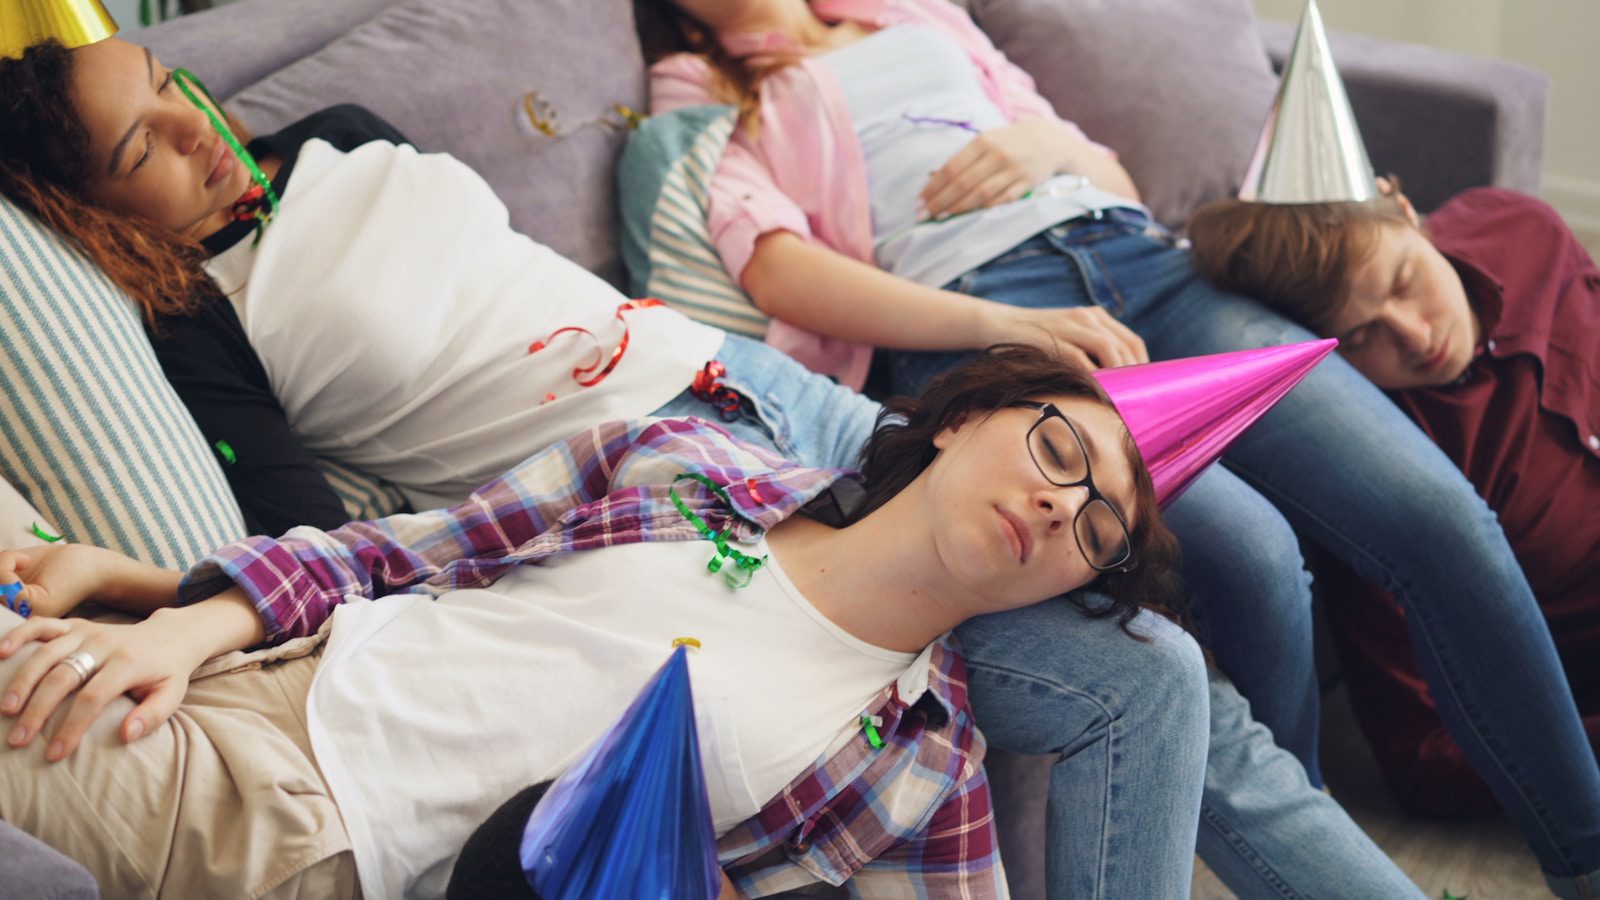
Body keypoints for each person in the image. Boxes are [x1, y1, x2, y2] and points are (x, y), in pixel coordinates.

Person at [0, 31, 1420, 899]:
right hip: (639, 489)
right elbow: (324, 518)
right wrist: (170, 594)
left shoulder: (345, 141)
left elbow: (518, 288)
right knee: (1154, 680)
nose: (198, 124)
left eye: (177, 83)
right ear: (89, 206)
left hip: (762, 411)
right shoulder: (193, 313)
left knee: (1213, 571)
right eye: (145, 139)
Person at [631, 0, 1600, 893]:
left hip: (1142, 258)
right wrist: (988, 328)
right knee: (1255, 551)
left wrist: (1048, 143)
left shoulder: (912, 12)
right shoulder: (697, 86)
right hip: (981, 316)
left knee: (1436, 516)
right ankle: (1308, 852)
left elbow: (1106, 173)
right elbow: (778, 269)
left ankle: (1586, 851)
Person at [0, 347, 1193, 898]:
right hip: (253, 696)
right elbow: (395, 552)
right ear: (957, 419)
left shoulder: (926, 772)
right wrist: (181, 620)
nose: (1056, 503)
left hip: (333, 854)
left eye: (1098, 530)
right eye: (1055, 448)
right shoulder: (684, 455)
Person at [1187, 183, 1600, 818]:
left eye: (1404, 279)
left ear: (1406, 208)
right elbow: (1422, 760)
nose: (1415, 336)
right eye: (1359, 338)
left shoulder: (1519, 226)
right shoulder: (1387, 473)